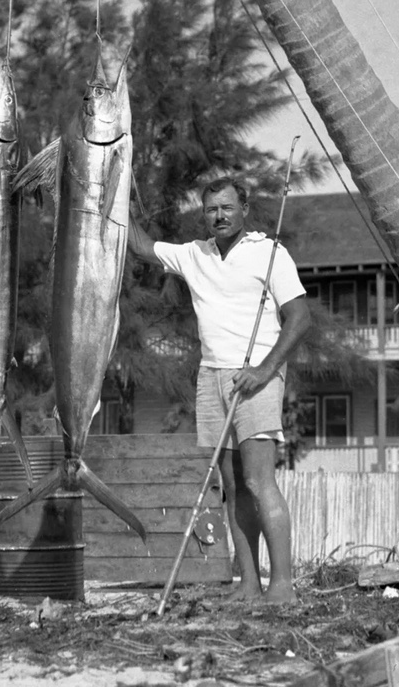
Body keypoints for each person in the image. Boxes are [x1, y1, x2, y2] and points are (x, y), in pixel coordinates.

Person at [127, 177, 310, 604]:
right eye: (211, 210)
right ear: (203, 214)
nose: (219, 216)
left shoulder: (269, 253)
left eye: (227, 207)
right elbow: (139, 245)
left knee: (259, 480)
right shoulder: (195, 254)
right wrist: (117, 183)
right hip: (211, 378)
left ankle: (282, 585)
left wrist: (265, 370)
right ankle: (247, 584)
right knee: (232, 486)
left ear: (244, 208)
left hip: (256, 376)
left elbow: (299, 317)